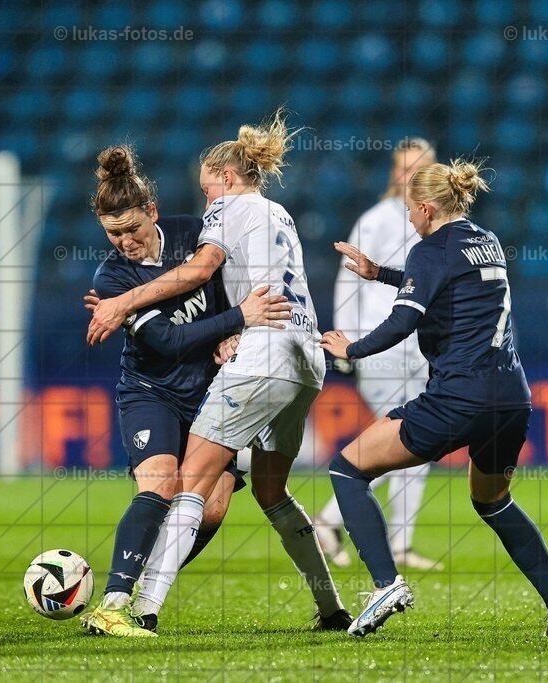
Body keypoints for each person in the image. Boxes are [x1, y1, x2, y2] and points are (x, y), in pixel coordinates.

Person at [86, 110, 351, 631]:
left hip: (249, 365)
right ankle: (331, 608)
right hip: (245, 371)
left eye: (131, 228)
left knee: (196, 492)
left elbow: (203, 272)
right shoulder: (276, 214)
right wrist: (233, 323)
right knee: (244, 493)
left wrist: (124, 307)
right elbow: (166, 338)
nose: (124, 242)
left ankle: (140, 609)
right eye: (112, 234)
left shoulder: (212, 220)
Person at [320, 159, 548, 638]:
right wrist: (379, 272)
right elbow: (444, 282)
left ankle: (386, 584)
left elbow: (403, 322)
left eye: (410, 211)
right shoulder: (486, 241)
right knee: (494, 502)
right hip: (511, 399)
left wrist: (351, 349)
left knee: (348, 468)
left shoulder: (430, 249)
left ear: (426, 208)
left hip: (459, 397)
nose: (408, 219)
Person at [316, 137, 443, 571]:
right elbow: (349, 280)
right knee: (405, 441)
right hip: (379, 344)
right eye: (404, 168)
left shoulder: (431, 221)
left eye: (418, 168)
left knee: (415, 443)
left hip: (417, 347)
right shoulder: (376, 219)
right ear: (394, 173)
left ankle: (398, 541)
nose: (408, 176)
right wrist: (346, 343)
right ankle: (329, 522)